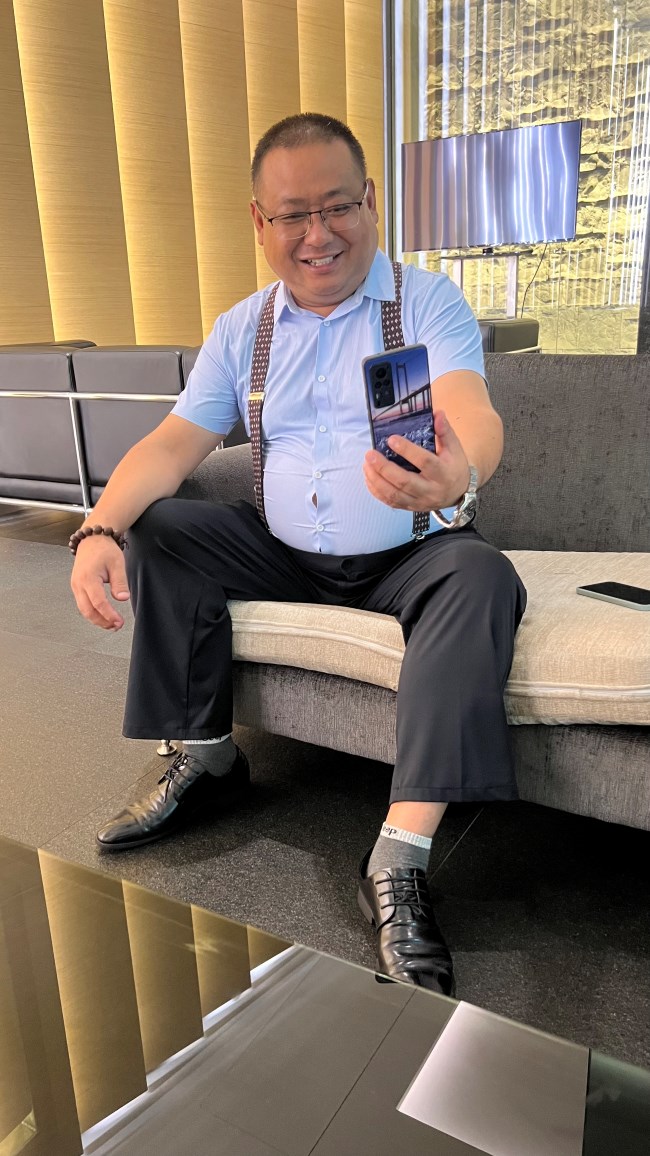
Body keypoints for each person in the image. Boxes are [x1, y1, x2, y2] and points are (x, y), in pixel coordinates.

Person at [70, 113, 526, 994]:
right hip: (283, 553)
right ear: (260, 222)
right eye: (293, 215)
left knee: (482, 575)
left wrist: (457, 472)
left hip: (409, 554)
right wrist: (98, 530)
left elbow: (474, 411)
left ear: (371, 202)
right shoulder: (244, 329)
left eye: (338, 207)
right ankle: (207, 756)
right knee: (163, 527)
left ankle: (399, 857)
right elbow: (171, 445)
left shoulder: (425, 303)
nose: (318, 234)